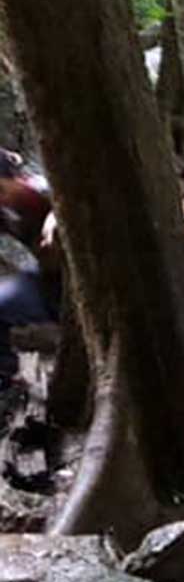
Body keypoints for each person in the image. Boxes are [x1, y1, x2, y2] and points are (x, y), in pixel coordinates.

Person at [0, 151, 59, 412]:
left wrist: (54, 220)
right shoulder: (4, 207)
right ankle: (8, 382)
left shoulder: (38, 189)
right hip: (47, 282)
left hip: (83, 287)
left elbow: (65, 201)